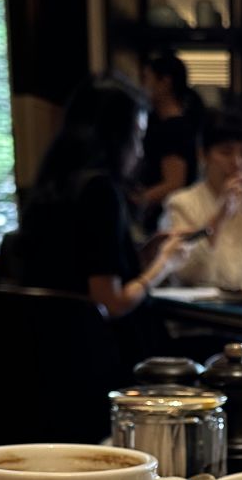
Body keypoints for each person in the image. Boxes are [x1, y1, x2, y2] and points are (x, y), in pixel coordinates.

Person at [18, 74, 187, 365]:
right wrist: (162, 266)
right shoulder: (100, 191)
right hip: (103, 361)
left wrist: (139, 258)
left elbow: (74, 271)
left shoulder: (50, 187)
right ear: (114, 136)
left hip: (52, 355)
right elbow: (109, 302)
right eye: (136, 135)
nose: (140, 150)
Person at [164, 110, 242, 292]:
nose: (237, 162)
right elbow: (188, 274)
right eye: (226, 152)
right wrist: (220, 216)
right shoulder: (181, 204)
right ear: (203, 155)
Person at [134, 52, 202, 232]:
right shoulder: (164, 123)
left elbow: (174, 182)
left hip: (166, 221)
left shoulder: (174, 128)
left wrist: (139, 199)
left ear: (165, 82)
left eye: (147, 79)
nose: (143, 86)